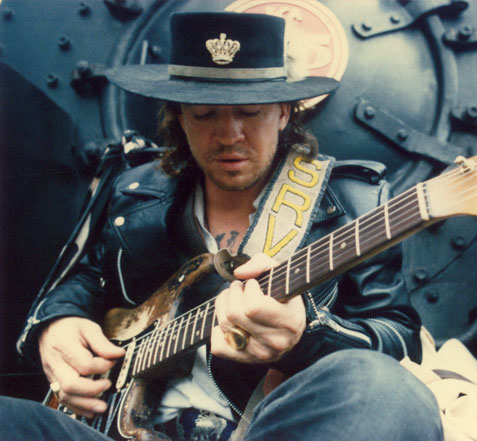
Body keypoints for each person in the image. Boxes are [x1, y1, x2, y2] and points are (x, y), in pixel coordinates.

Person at [1, 12, 443, 441]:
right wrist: (57, 324)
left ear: (286, 112)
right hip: (110, 424)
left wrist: (307, 337)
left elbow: (398, 339)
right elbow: (88, 273)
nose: (229, 134)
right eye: (205, 115)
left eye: (250, 112)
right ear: (177, 117)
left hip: (271, 426)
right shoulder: (134, 187)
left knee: (385, 388)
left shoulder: (356, 202)